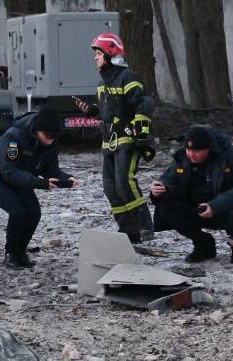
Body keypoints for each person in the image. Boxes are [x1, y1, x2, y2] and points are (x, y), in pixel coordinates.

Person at [74, 33, 156, 244]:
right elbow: (108, 111)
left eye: (99, 53)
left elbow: (143, 104)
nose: (95, 58)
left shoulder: (128, 77)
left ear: (111, 54)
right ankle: (129, 232)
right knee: (110, 187)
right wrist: (93, 111)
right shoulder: (103, 83)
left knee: (124, 183)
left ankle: (145, 226)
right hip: (108, 142)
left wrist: (139, 132)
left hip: (126, 141)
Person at [0, 107, 80, 269]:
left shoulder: (50, 143)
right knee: (18, 211)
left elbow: (51, 169)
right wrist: (40, 183)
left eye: (54, 137)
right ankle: (11, 254)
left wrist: (66, 178)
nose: (50, 140)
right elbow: (9, 171)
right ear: (36, 130)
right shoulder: (13, 138)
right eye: (47, 136)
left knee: (34, 212)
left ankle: (20, 253)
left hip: (21, 178)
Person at [150, 126, 233, 263]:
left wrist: (215, 206)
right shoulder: (183, 157)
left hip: (225, 208)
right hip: (196, 208)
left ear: (209, 148)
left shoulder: (232, 157)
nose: (191, 155)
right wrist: (158, 190)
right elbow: (169, 180)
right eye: (188, 150)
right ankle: (203, 245)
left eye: (196, 151)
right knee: (168, 204)